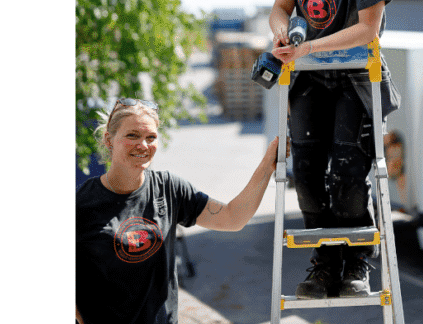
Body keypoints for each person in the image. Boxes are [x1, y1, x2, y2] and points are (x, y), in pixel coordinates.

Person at [267, 0, 400, 299]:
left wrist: (308, 46)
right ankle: (324, 265)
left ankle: (356, 264)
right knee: (304, 172)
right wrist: (281, 34)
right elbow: (280, 7)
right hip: (309, 78)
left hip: (356, 77)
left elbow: (367, 29)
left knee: (346, 174)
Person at [76, 98, 282, 324]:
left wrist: (267, 165)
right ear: (109, 140)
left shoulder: (169, 189)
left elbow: (232, 218)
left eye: (151, 137)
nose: (143, 145)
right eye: (132, 135)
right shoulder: (82, 203)